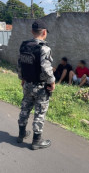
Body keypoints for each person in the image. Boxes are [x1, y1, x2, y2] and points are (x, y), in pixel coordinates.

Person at [17, 19, 55, 150]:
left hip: (27, 84)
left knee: (25, 108)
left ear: (32, 31)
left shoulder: (24, 45)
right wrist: (52, 82)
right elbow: (46, 68)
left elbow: (20, 64)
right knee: (39, 113)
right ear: (44, 32)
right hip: (40, 87)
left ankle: (21, 134)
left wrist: (22, 78)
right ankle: (36, 141)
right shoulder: (44, 48)